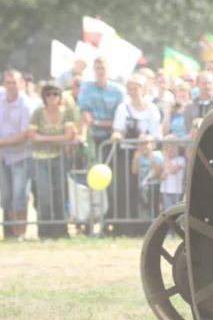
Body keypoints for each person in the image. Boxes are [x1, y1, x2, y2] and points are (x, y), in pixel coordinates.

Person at [111, 75, 162, 225]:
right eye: (130, 89)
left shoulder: (152, 108)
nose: (133, 92)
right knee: (125, 189)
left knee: (146, 190)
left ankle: (146, 224)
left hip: (146, 154)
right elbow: (118, 129)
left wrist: (145, 141)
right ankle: (126, 225)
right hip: (126, 153)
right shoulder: (122, 108)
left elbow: (156, 133)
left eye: (136, 88)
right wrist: (116, 135)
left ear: (144, 90)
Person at [28, 83, 76, 239]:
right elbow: (32, 136)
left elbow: (69, 136)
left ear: (60, 96)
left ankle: (61, 230)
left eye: (55, 94)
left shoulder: (67, 113)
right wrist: (57, 140)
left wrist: (45, 138)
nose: (52, 97)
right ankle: (44, 231)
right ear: (44, 97)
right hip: (40, 160)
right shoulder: (37, 113)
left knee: (60, 195)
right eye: (48, 94)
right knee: (44, 196)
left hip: (60, 159)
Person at [0, 70, 32, 240]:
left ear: (20, 84)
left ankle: (20, 232)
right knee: (5, 195)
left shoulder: (26, 104)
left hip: (21, 156)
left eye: (14, 82)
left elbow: (24, 135)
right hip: (3, 157)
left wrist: (1, 143)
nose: (11, 86)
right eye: (8, 82)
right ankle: (10, 232)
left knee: (19, 194)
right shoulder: (0, 98)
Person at [78, 56, 124, 155]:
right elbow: (86, 116)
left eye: (102, 68)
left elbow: (120, 118)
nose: (100, 71)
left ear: (108, 70)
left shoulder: (118, 90)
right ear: (93, 70)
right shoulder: (86, 87)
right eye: (97, 68)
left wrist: (96, 122)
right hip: (93, 138)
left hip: (114, 137)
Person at [130, 134, 163, 218]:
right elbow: (134, 171)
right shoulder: (138, 156)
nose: (143, 146)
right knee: (144, 208)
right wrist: (136, 159)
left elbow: (158, 172)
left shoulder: (157, 155)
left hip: (155, 186)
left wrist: (151, 158)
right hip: (143, 186)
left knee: (155, 208)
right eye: (140, 144)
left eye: (145, 143)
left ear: (152, 144)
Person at [183, 71, 213, 136]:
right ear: (197, 84)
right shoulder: (190, 106)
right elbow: (187, 130)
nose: (207, 86)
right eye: (204, 83)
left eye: (210, 83)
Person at [160, 135, 186, 211]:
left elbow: (173, 171)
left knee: (176, 211)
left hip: (176, 191)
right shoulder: (163, 161)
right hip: (165, 191)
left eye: (172, 147)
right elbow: (161, 175)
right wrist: (162, 176)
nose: (170, 149)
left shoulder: (181, 160)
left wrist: (166, 158)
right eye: (167, 147)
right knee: (168, 211)